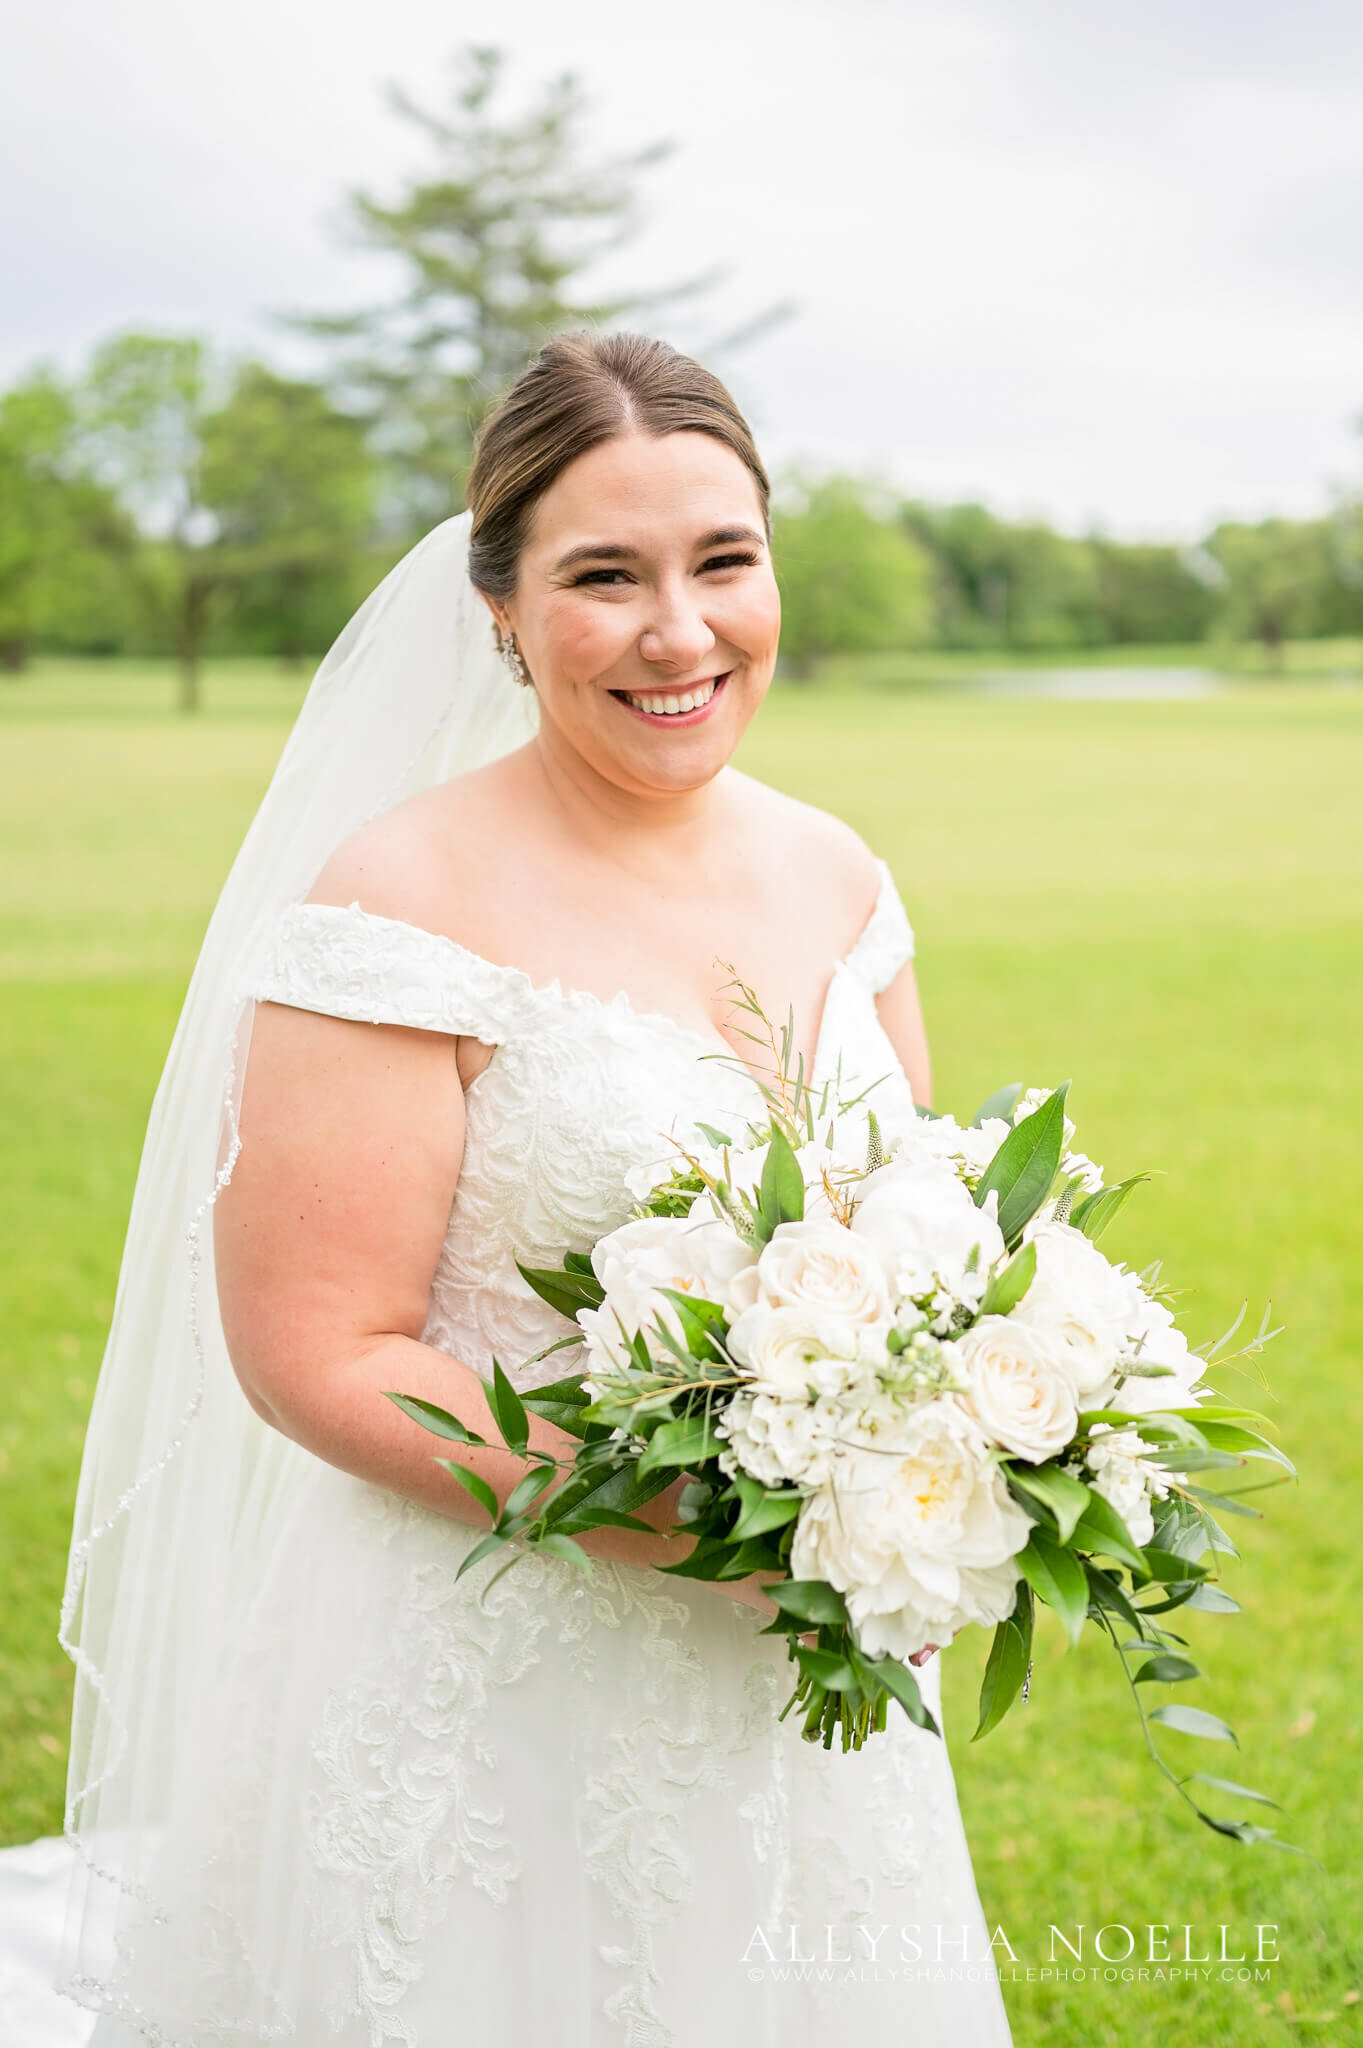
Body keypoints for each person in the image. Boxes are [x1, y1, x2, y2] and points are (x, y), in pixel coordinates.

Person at [60, 332, 1013, 2044]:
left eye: (725, 561)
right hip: (495, 1682)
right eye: (604, 577)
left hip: (805, 1667)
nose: (682, 631)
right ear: (498, 608)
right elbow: (318, 1349)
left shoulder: (839, 874)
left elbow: (912, 1253)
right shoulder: (400, 903)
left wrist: (940, 1467)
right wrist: (692, 1524)